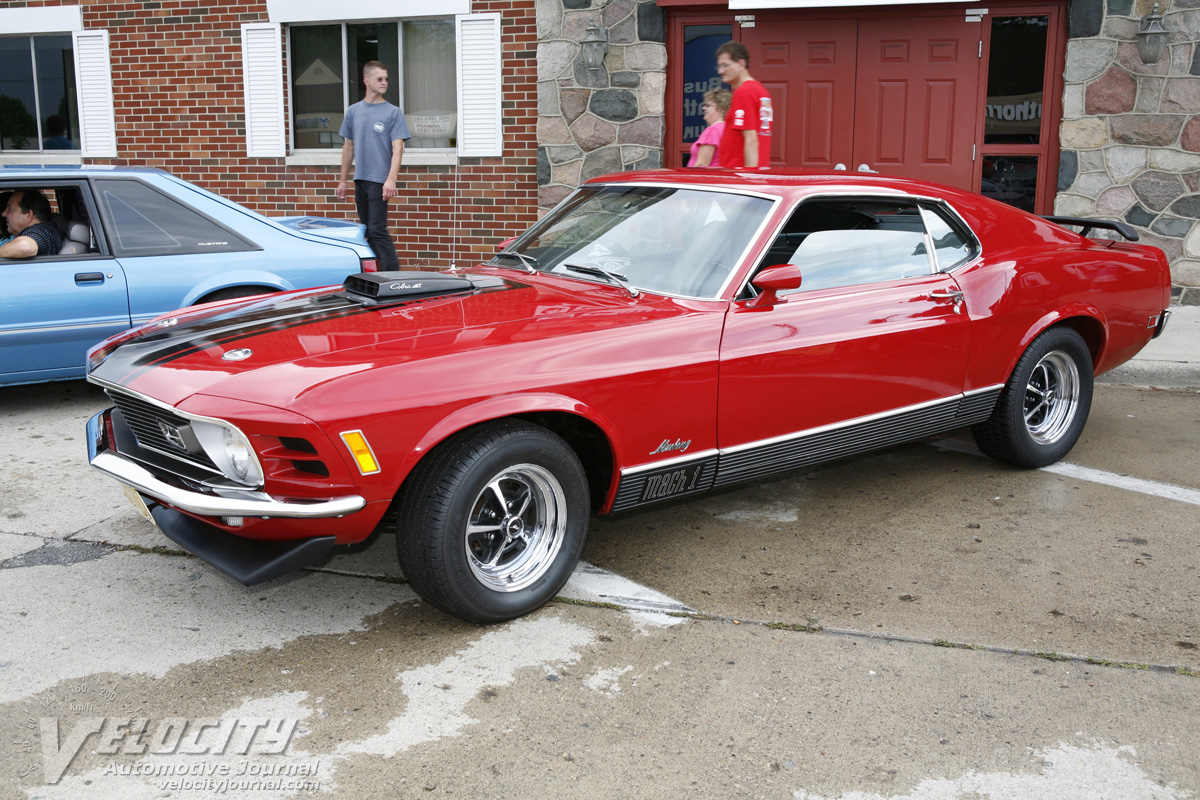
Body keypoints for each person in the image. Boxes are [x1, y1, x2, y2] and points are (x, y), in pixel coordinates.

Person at [336, 61, 410, 272]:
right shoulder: (354, 111)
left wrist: (391, 179)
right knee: (368, 231)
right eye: (379, 79)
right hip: (361, 179)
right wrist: (343, 180)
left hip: (379, 180)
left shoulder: (393, 112)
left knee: (378, 230)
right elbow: (348, 147)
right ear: (366, 81)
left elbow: (398, 149)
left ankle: (393, 276)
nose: (384, 82)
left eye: (386, 78)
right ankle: (376, 274)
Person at [715, 41, 773, 170]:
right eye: (719, 66)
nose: (720, 71)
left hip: (738, 174)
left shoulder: (744, 92)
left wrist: (748, 177)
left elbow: (751, 139)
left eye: (725, 65)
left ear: (741, 63)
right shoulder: (761, 91)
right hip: (757, 169)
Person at [1, 190, 63, 258]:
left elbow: (25, 247)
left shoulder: (43, 232)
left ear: (29, 215)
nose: (3, 214)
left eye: (10, 209)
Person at [688, 89, 731, 168]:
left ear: (721, 108)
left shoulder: (712, 130)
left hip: (705, 178)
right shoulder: (728, 129)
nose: (704, 108)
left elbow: (702, 165)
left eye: (708, 105)